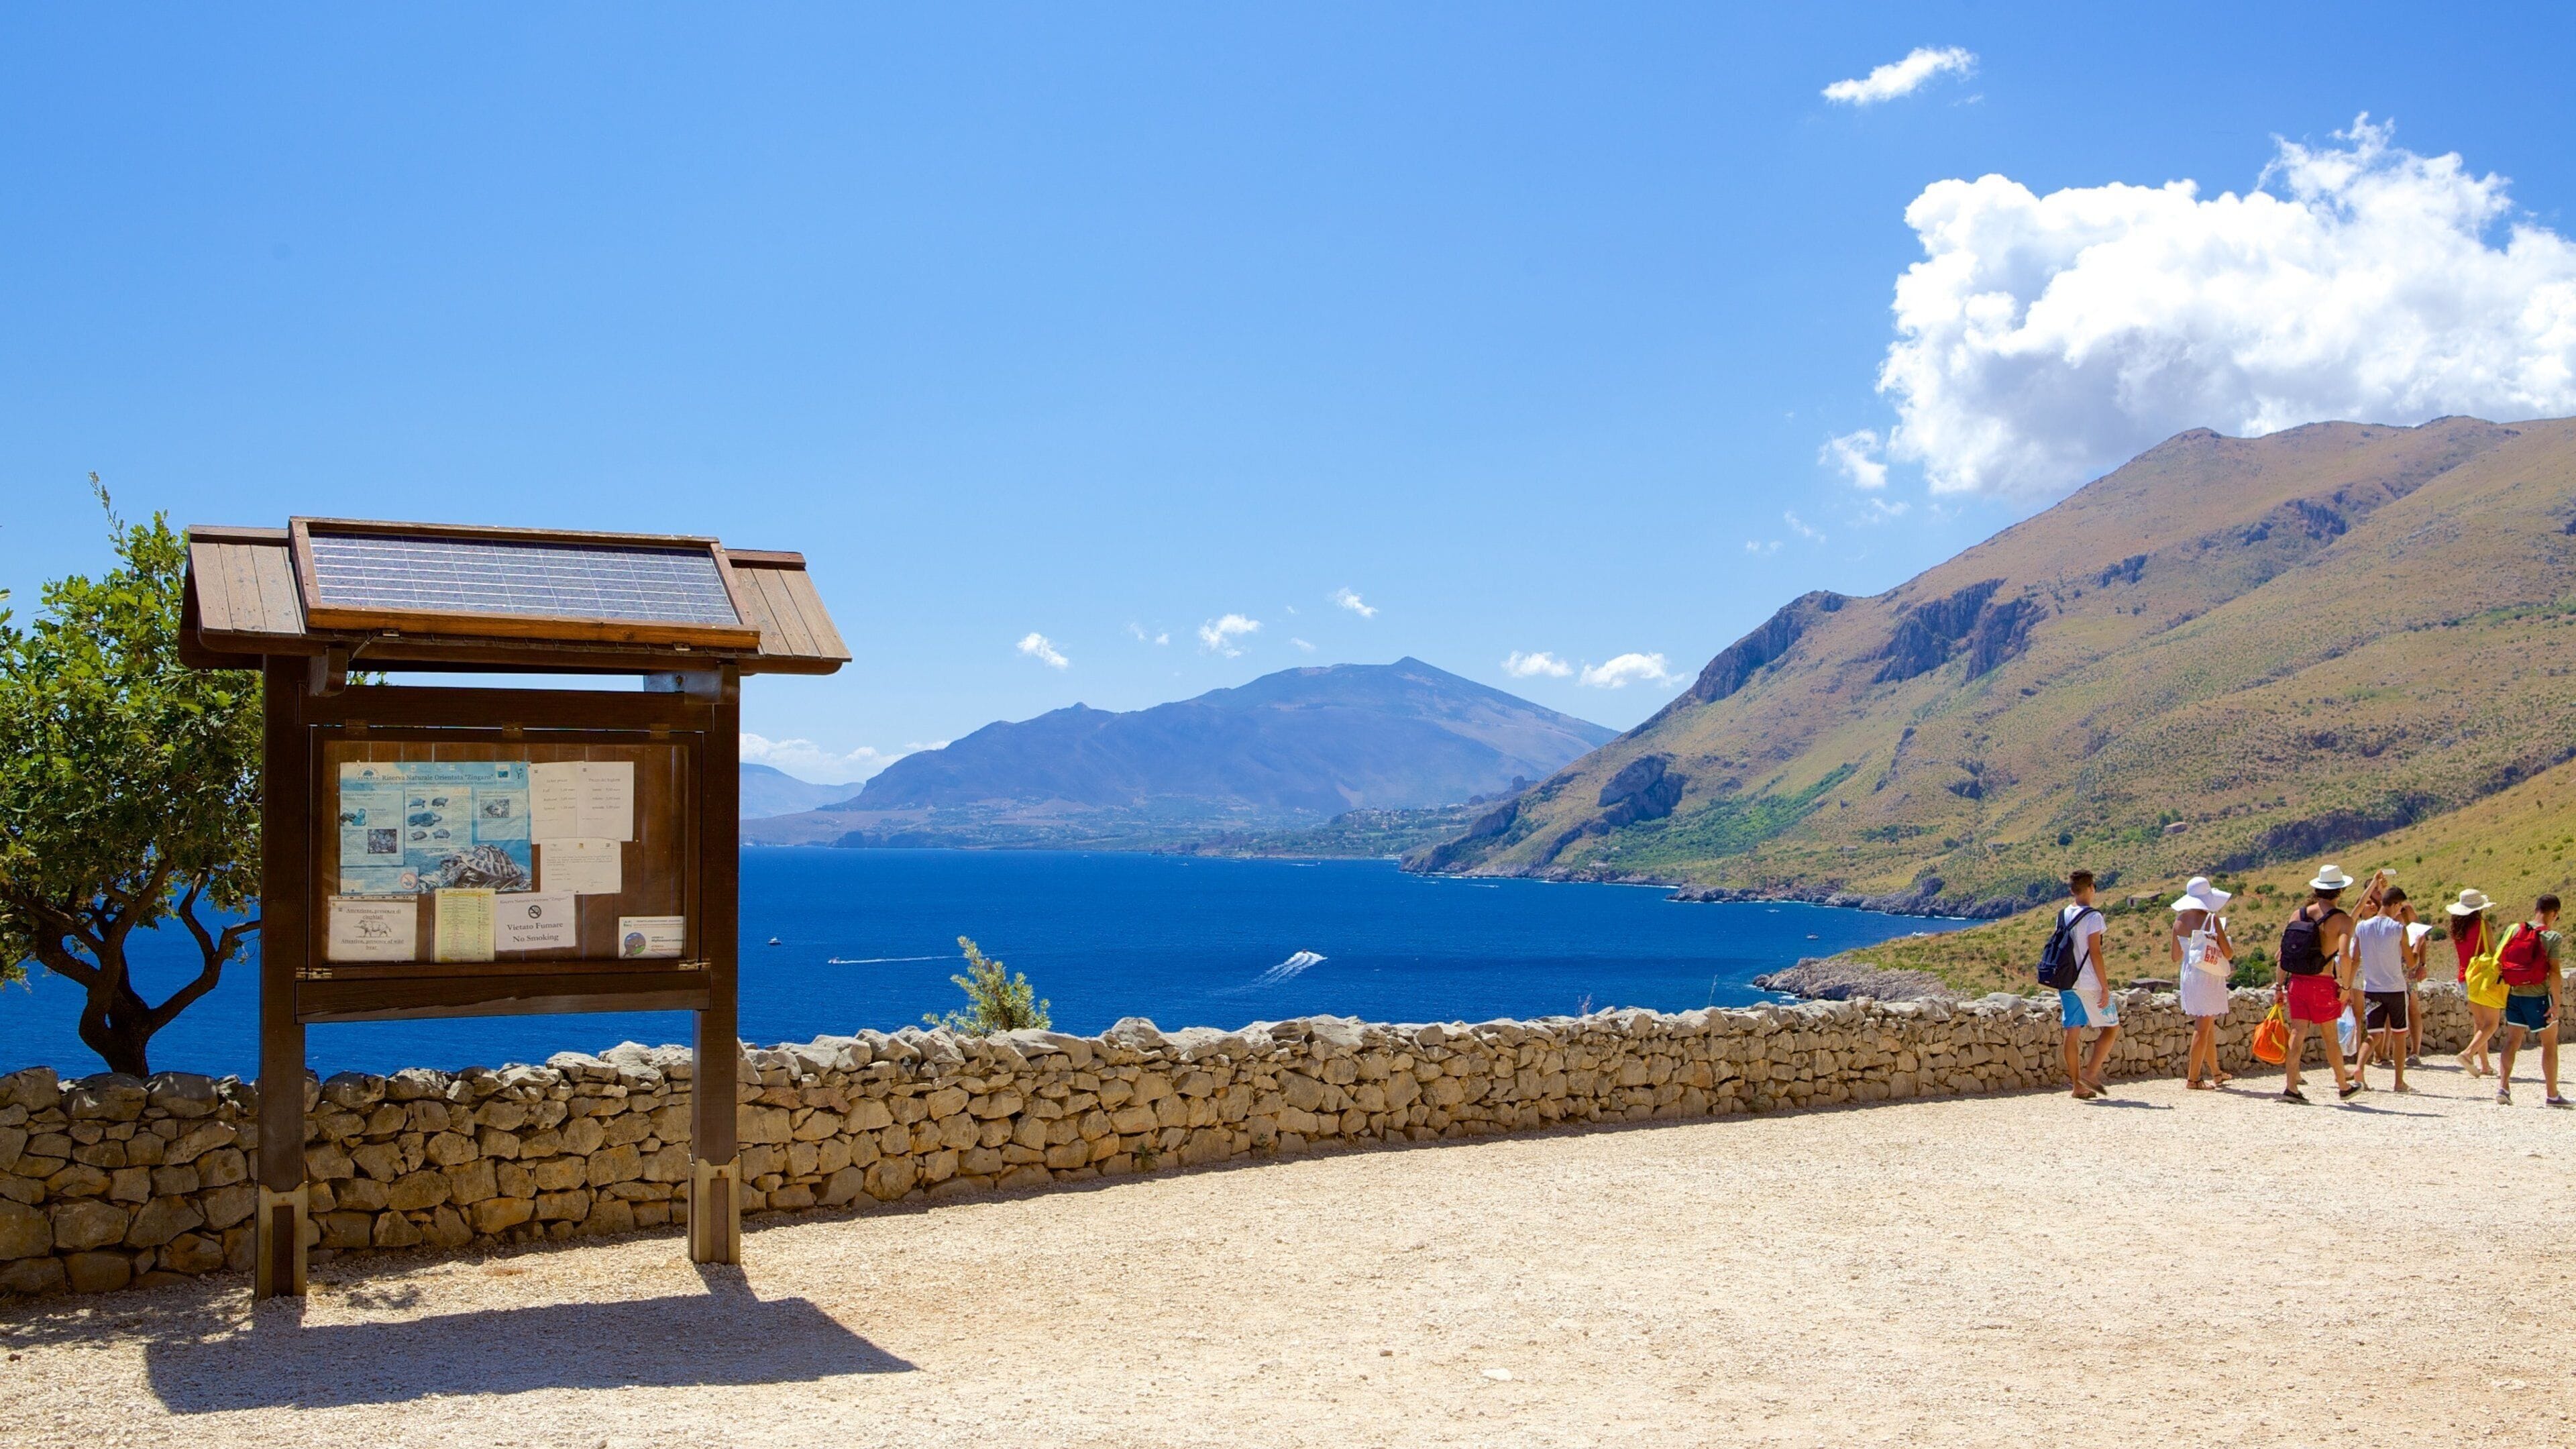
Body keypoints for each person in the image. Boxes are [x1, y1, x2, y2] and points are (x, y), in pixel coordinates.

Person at [2275, 865, 2360, 1102]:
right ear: (2340, 890)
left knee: (2296, 1033)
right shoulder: (2343, 921)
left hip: (2297, 983)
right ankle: (2343, 1086)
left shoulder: (2298, 914)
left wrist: (2278, 986)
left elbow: (2284, 953)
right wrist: (2345, 987)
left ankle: (2291, 1087)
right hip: (2322, 984)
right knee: (2331, 1038)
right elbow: (2344, 955)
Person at [2490, 895, 2567, 1107]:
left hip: (2514, 995)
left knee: (2512, 1042)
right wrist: (2557, 1004)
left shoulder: (2516, 930)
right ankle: (2552, 1095)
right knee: (2549, 1045)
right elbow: (2555, 972)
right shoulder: (2552, 937)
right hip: (2539, 998)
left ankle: (2503, 1088)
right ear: (2554, 913)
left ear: (2536, 909)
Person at [2350, 885, 2420, 1091]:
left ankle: (2358, 1069)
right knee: (2399, 1036)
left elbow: (2355, 958)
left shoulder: (2362, 927)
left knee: (2373, 1034)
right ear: (2396, 905)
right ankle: (2399, 1082)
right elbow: (2411, 962)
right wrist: (2417, 945)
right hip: (2395, 988)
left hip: (2371, 987)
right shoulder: (2399, 929)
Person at [2054, 870, 2118, 1099]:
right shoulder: (2094, 917)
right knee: (2111, 1028)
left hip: (2067, 981)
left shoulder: (2063, 915)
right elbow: (2096, 953)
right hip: (2089, 982)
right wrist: (2105, 986)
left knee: (2072, 1033)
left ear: (2072, 890)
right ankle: (2090, 1073)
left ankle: (2076, 1086)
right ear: (2091, 887)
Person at [2170, 876, 2235, 1089]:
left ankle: (2216, 1073)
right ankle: (2193, 1079)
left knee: (2206, 1026)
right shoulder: (2211, 920)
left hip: (2189, 974)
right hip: (2207, 975)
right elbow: (2228, 953)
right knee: (2203, 1027)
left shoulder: (2178, 922)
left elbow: (2175, 956)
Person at [2450, 889, 2503, 1077]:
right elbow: (2493, 950)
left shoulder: (2456, 930)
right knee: (2492, 1023)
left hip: (2465, 978)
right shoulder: (2483, 925)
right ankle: (2468, 1053)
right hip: (2483, 978)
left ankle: (2485, 1065)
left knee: (2479, 1022)